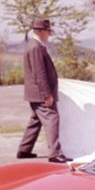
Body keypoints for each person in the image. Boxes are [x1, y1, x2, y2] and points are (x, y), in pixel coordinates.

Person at [16, 18, 72, 163]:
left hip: (35, 94)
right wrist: (46, 94)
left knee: (35, 120)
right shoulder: (35, 47)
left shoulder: (34, 45)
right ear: (40, 31)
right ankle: (55, 154)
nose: (49, 34)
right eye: (47, 31)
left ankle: (24, 150)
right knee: (52, 119)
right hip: (40, 94)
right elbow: (39, 73)